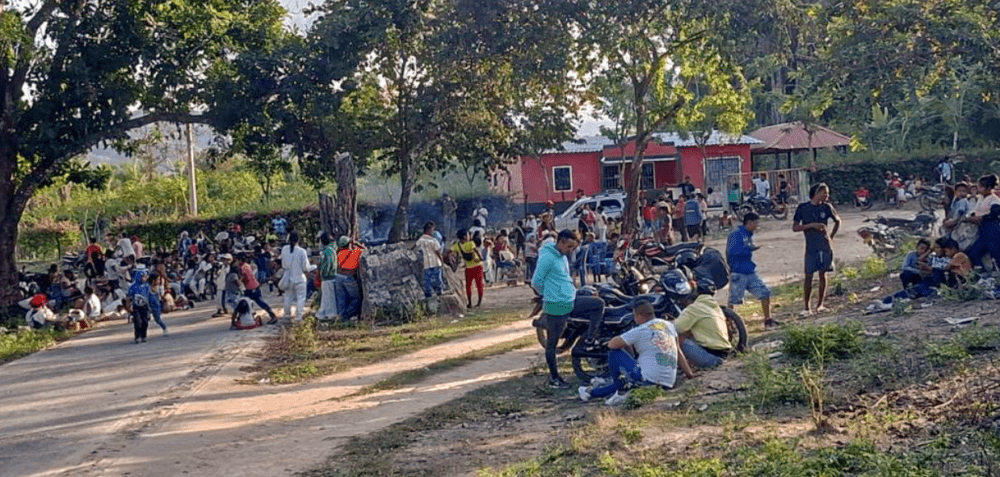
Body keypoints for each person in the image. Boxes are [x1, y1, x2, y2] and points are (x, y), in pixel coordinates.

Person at [578, 300, 694, 405]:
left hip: (647, 379)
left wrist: (627, 342)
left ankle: (619, 389)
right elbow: (678, 352)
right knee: (629, 380)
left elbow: (612, 344)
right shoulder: (668, 325)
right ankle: (592, 392)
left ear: (640, 316)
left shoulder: (641, 329)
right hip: (668, 381)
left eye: (635, 316)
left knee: (614, 353)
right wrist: (689, 374)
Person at [532, 229, 605, 388]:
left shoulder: (561, 256)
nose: (571, 249)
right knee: (552, 343)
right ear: (561, 242)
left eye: (574, 246)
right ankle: (554, 378)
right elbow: (536, 281)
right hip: (557, 304)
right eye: (570, 246)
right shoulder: (547, 257)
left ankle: (590, 339)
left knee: (598, 303)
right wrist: (548, 295)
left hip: (570, 298)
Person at [792, 183, 841, 316]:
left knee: (823, 274)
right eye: (824, 193)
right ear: (816, 193)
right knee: (808, 275)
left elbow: (837, 221)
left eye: (827, 193)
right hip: (811, 246)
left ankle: (820, 304)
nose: (827, 196)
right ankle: (807, 307)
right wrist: (811, 225)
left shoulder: (827, 207)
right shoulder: (803, 208)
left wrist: (831, 236)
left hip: (825, 245)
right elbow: (795, 227)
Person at [726, 212, 778, 328]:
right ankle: (730, 324)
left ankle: (768, 320)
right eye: (755, 223)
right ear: (749, 222)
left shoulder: (748, 234)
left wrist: (751, 248)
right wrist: (748, 250)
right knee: (734, 300)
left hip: (749, 270)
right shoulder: (736, 234)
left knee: (764, 293)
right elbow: (733, 252)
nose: (757, 226)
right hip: (738, 271)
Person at [674, 281, 732, 369]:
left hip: (712, 359)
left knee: (679, 339)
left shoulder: (695, 308)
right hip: (724, 354)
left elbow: (677, 328)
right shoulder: (715, 307)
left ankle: (681, 368)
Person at [965, 174, 1000, 269]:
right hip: (982, 230)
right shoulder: (981, 198)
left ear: (988, 188)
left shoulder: (994, 200)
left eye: (981, 186)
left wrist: (981, 218)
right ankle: (981, 272)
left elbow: (994, 215)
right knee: (973, 253)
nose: (978, 188)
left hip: (992, 229)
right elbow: (976, 211)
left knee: (995, 254)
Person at [234, 253, 277, 323]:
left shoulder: (242, 267)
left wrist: (240, 281)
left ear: (239, 260)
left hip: (250, 288)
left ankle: (240, 319)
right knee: (259, 302)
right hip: (255, 286)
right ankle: (272, 315)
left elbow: (245, 278)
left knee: (245, 303)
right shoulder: (247, 265)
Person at [280, 232, 311, 323]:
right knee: (301, 298)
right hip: (299, 278)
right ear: (298, 240)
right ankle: (298, 316)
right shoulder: (302, 251)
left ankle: (286, 315)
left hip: (288, 278)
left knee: (287, 297)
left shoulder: (284, 249)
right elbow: (306, 267)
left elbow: (283, 264)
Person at [332, 236, 365, 319]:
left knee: (341, 299)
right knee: (356, 299)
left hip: (338, 277)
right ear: (349, 243)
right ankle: (346, 314)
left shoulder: (339, 253)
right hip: (349, 277)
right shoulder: (356, 252)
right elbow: (365, 249)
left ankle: (341, 317)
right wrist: (357, 244)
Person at [452, 229, 484, 308]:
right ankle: (479, 303)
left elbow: (451, 252)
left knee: (468, 285)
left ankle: (469, 303)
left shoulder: (457, 245)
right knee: (479, 284)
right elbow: (476, 251)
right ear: (465, 236)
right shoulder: (471, 243)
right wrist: (481, 258)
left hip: (468, 267)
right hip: (477, 266)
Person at [416, 222, 444, 299]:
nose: (433, 231)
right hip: (435, 262)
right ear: (428, 230)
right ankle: (439, 291)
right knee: (438, 278)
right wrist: (442, 260)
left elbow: (416, 249)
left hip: (426, 263)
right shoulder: (433, 240)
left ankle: (428, 293)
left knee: (427, 279)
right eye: (432, 229)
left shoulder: (420, 240)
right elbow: (438, 251)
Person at [126, 268, 152, 343]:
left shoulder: (147, 286)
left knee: (145, 322)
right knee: (138, 322)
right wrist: (128, 307)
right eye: (143, 276)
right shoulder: (133, 286)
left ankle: (144, 335)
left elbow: (150, 295)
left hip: (145, 306)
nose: (145, 278)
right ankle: (137, 336)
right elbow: (129, 297)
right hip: (136, 307)